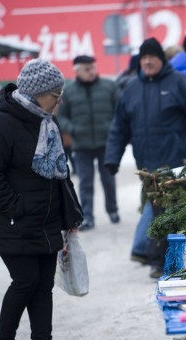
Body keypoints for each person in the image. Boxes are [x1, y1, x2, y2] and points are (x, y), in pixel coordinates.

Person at [0, 58, 83, 340]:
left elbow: (60, 175)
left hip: (46, 221)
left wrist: (70, 214)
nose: (59, 100)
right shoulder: (2, 124)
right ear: (37, 93)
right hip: (14, 223)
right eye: (55, 94)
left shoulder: (45, 121)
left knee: (43, 287)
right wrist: (17, 208)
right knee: (25, 281)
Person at [104, 37, 186, 278]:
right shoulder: (131, 88)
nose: (147, 62)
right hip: (147, 165)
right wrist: (113, 158)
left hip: (174, 162)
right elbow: (119, 126)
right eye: (143, 58)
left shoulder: (179, 83)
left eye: (152, 57)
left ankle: (161, 262)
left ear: (161, 60)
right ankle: (158, 259)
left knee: (168, 212)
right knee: (157, 211)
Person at [57, 55, 121, 231]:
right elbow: (60, 116)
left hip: (105, 143)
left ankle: (113, 210)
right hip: (82, 145)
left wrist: (112, 128)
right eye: (87, 68)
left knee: (108, 179)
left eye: (92, 67)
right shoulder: (69, 92)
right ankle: (88, 217)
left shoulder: (109, 87)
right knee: (85, 182)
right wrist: (72, 128)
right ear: (77, 70)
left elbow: (120, 111)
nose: (91, 71)